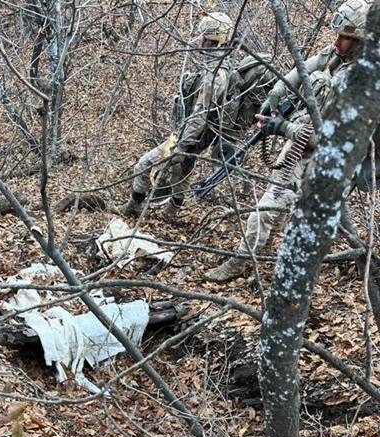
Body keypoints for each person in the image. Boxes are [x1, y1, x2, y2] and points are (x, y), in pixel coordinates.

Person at [204, 0, 371, 283]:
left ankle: (240, 262)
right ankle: (264, 253)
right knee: (276, 200)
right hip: (300, 143)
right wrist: (275, 95)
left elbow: (335, 140)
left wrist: (283, 127)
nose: (337, 41)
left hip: (322, 162)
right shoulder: (337, 54)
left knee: (265, 209)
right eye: (339, 34)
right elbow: (301, 71)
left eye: (346, 37)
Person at [120, 11, 236, 220]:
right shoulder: (220, 67)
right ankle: (171, 214)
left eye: (205, 37)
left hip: (190, 136)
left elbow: (200, 115)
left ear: (213, 40)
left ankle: (133, 207)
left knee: (144, 164)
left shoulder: (214, 76)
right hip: (197, 137)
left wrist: (181, 145)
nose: (200, 41)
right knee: (180, 175)